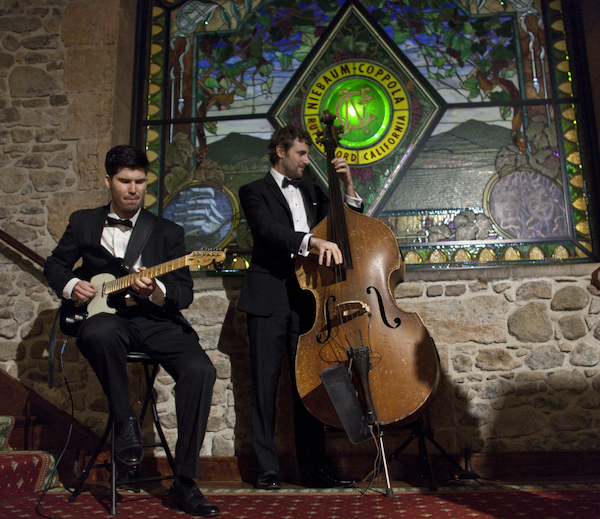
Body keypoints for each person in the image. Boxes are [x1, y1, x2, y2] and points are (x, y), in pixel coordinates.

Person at [44, 145, 219, 517]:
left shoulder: (168, 231)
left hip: (155, 320)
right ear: (108, 180)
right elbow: (55, 265)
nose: (133, 189)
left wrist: (156, 290)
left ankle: (185, 481)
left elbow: (184, 292)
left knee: (201, 370)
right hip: (108, 319)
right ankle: (125, 421)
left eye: (140, 181)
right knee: (99, 331)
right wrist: (72, 285)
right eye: (125, 181)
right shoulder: (83, 222)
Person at [237, 125, 362, 489]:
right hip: (268, 296)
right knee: (264, 386)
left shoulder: (313, 189)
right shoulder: (253, 191)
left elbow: (346, 223)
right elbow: (267, 231)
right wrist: (312, 242)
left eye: (308, 154)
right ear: (280, 151)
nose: (307, 161)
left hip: (308, 298)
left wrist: (347, 185)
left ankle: (314, 470)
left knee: (308, 384)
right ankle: (267, 470)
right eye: (301, 154)